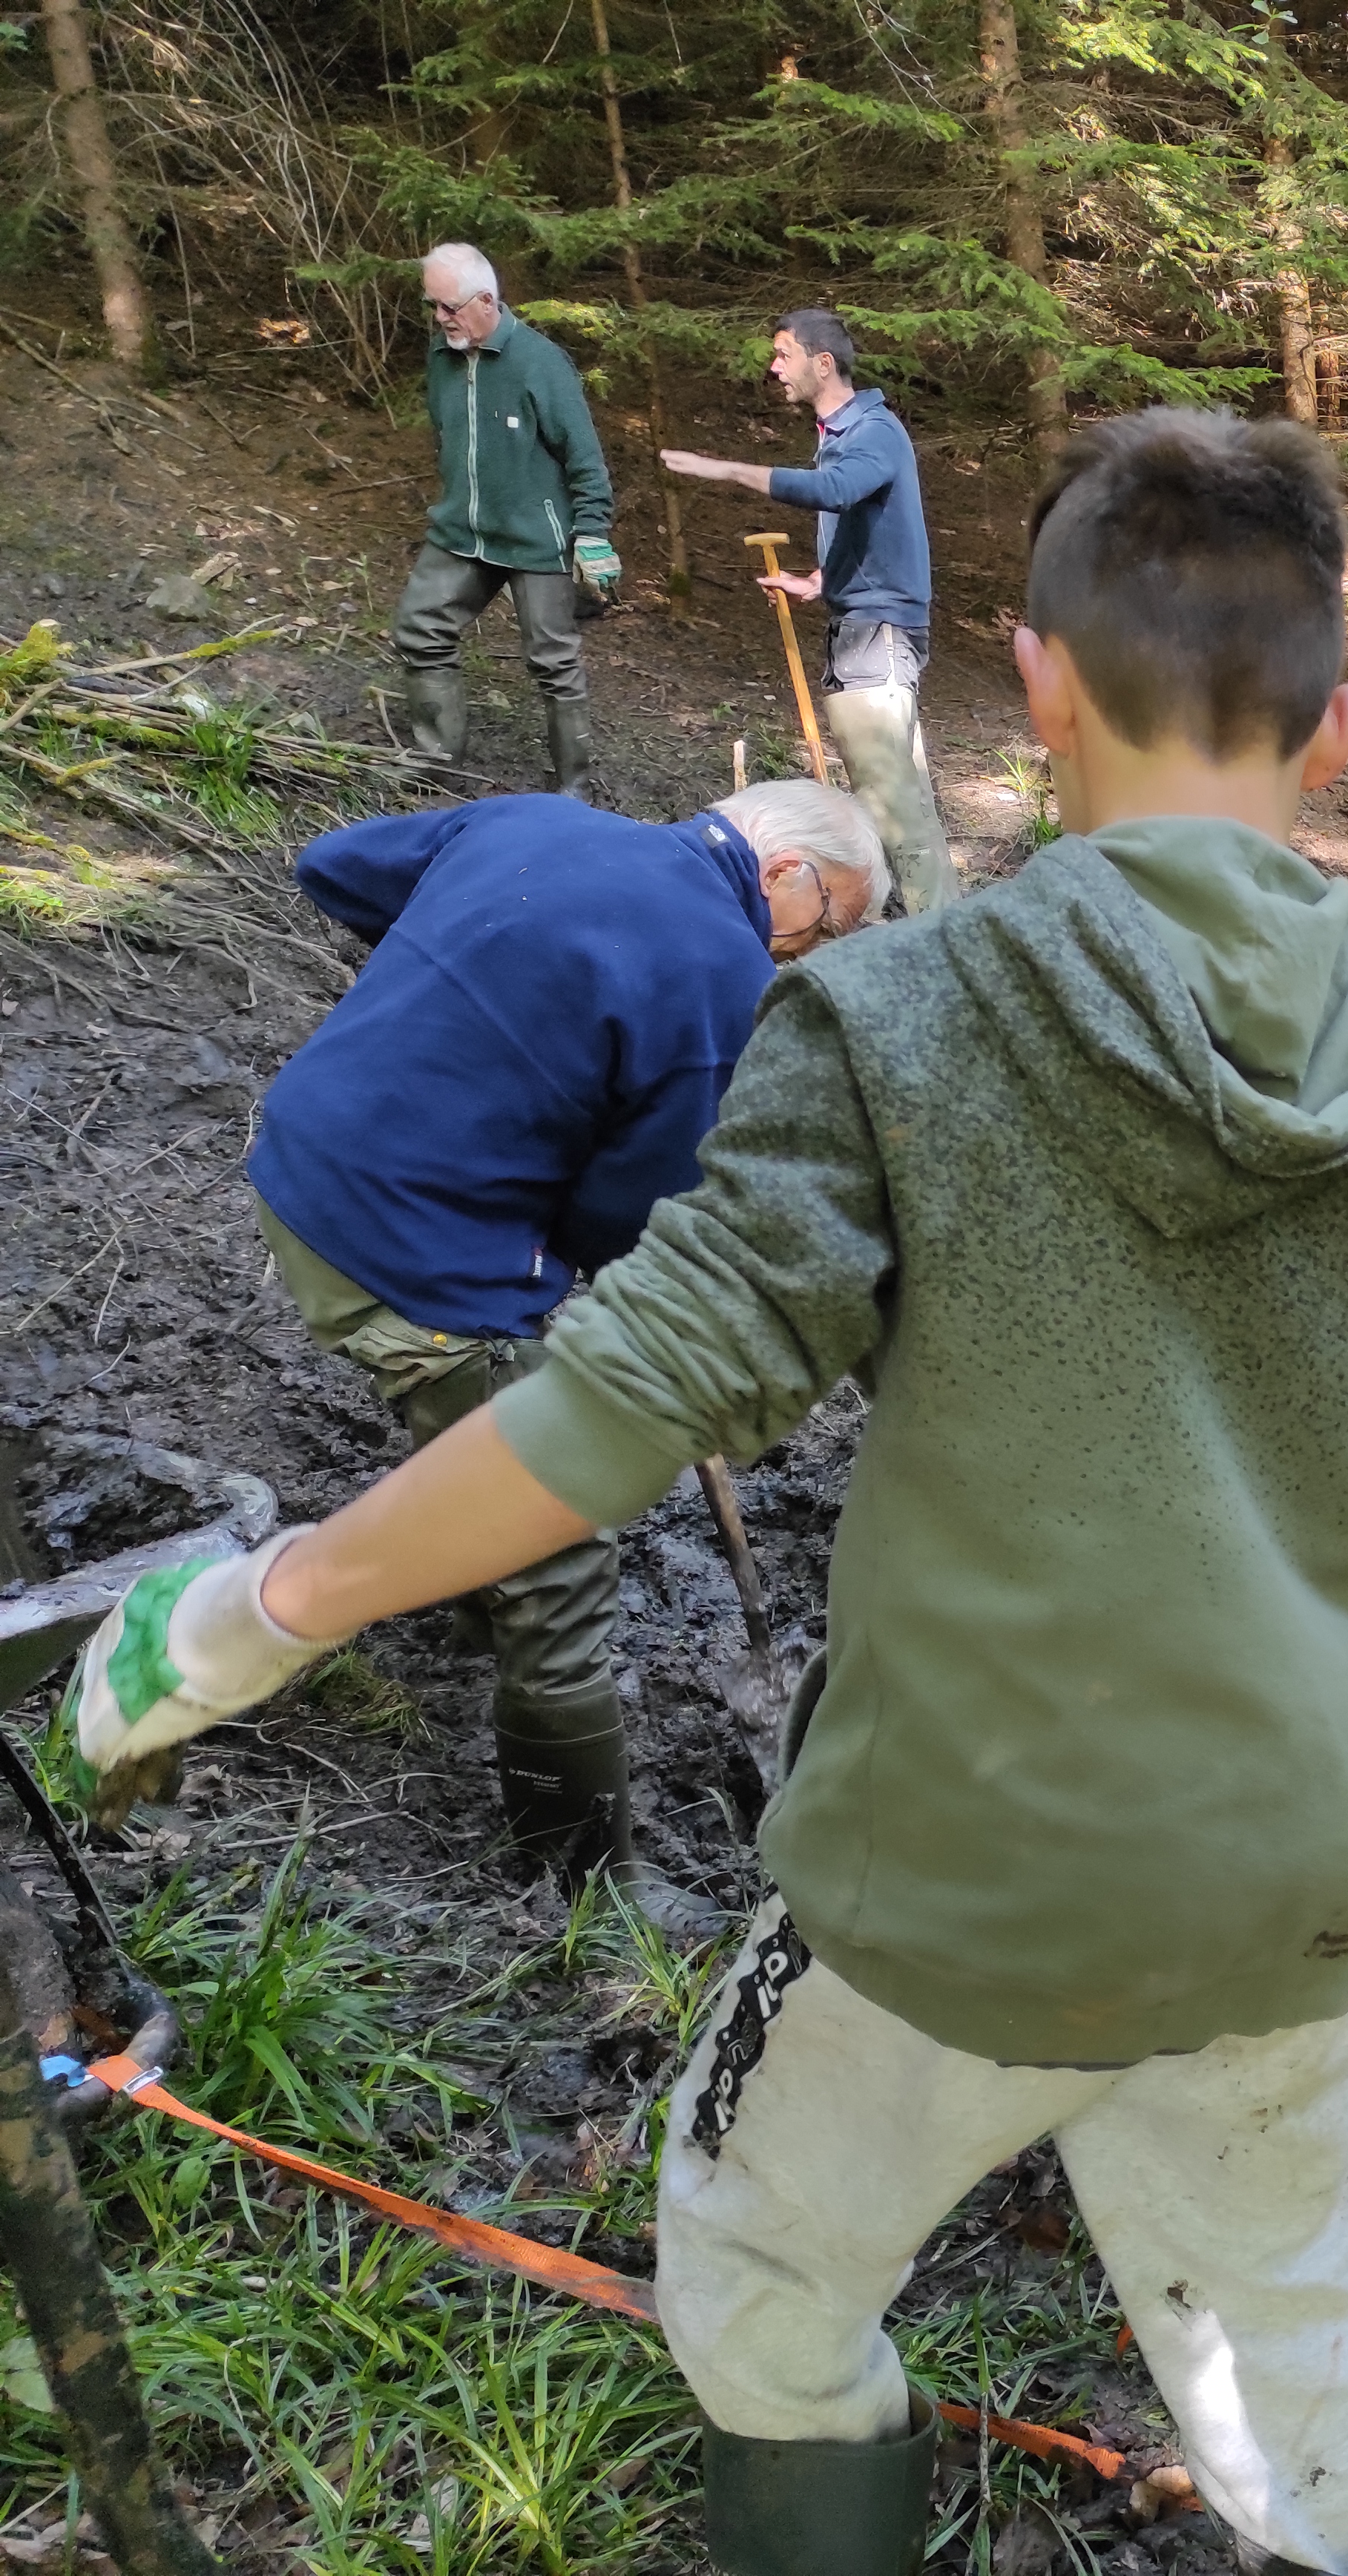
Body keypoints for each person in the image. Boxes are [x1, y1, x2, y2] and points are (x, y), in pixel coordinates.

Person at [63, 409, 1348, 2576]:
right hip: (1297, 1886)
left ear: (1039, 686)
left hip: (946, 1896)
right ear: (1341, 727)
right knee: (1302, 2376)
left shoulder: (896, 1013)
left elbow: (620, 1400)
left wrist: (264, 1605)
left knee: (763, 2270)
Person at [241, 780, 888, 1936]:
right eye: (823, 924)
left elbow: (338, 865)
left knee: (492, 1406)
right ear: (782, 871)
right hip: (408, 1246)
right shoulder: (720, 981)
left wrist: (462, 1016)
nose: (803, 953)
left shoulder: (539, 821)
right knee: (560, 1548)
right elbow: (627, 1223)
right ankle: (583, 1886)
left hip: (299, 1154)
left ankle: (459, 1583)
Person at [663, 310, 955, 913]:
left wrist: (730, 469)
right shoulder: (846, 435)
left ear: (824, 363)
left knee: (894, 812)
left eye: (783, 354)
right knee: (902, 801)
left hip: (877, 633)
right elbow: (871, 522)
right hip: (865, 624)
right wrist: (822, 579)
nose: (774, 368)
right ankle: (933, 926)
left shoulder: (873, 430)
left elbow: (836, 492)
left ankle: (933, 936)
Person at [393, 245, 621, 803]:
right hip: (463, 532)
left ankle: (575, 789)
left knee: (553, 662)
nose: (440, 318)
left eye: (449, 307)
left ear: (486, 301)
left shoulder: (540, 362)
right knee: (419, 628)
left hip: (537, 540)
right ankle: (435, 762)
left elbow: (586, 459)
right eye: (434, 307)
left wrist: (591, 533)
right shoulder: (441, 355)